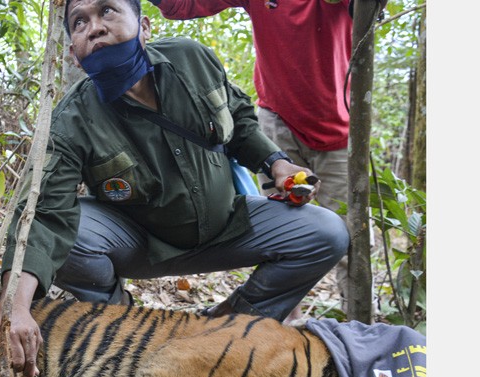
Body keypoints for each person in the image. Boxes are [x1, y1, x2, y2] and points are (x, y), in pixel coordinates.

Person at [0, 0, 350, 377]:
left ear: (144, 27)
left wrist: (278, 164)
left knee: (326, 232)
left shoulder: (192, 60)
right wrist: (14, 308)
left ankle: (228, 327)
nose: (94, 27)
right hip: (142, 241)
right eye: (80, 22)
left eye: (107, 11)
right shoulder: (71, 122)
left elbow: (240, 122)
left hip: (228, 226)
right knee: (69, 236)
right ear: (75, 56)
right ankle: (128, 331)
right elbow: (43, 217)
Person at [148, 0, 382, 313]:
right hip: (278, 122)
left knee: (349, 240)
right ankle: (281, 323)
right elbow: (184, 4)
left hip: (340, 131)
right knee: (284, 228)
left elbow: (365, 11)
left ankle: (357, 328)